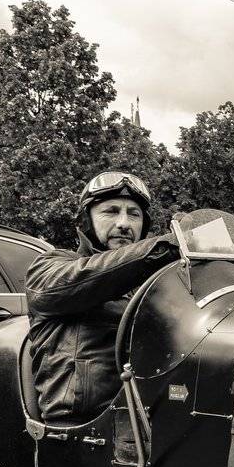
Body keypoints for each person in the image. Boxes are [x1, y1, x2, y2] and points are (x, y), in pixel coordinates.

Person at [25, 171, 179, 424]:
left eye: (134, 214)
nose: (124, 223)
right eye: (111, 211)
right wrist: (169, 246)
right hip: (84, 425)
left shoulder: (157, 280)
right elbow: (89, 277)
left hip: (153, 417)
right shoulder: (50, 268)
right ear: (87, 220)